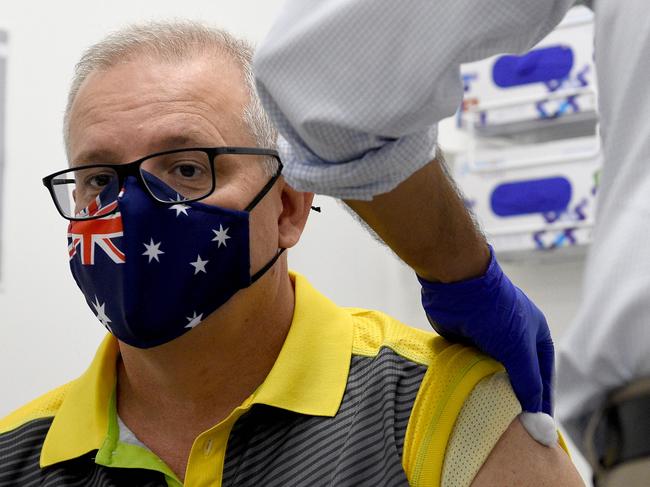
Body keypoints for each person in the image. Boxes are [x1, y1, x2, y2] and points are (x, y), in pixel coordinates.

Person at [0, 21, 583, 487]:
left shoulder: (442, 412)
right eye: (100, 180)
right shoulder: (16, 456)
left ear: (287, 209)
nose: (133, 208)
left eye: (185, 169)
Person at [254, 0, 650, 481]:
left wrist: (465, 275)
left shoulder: (430, 397)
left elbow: (325, 68)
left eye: (189, 169)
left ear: (288, 206)